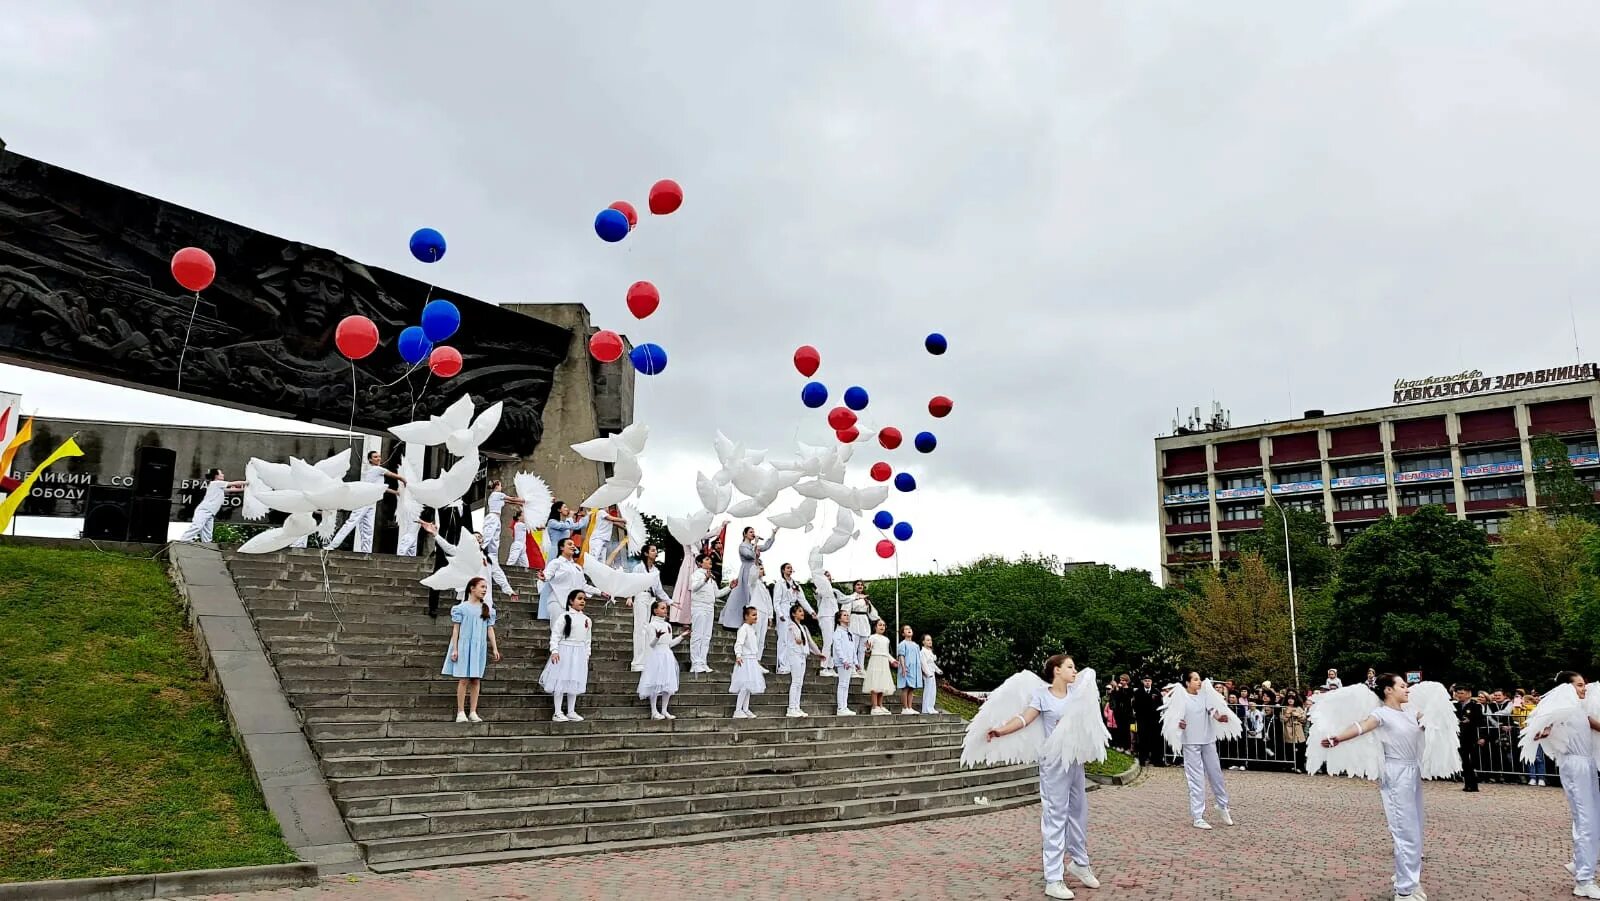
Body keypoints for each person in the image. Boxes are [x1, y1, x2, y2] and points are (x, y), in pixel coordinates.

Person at [982, 654, 1103, 900]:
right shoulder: (1042, 695)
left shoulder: (1077, 694)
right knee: (1055, 816)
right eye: (1070, 666)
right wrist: (1001, 730)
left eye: (1075, 667)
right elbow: (1024, 719)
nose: (1074, 671)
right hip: (1054, 763)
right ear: (1056, 670)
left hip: (1075, 762)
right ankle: (1053, 877)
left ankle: (1080, 862)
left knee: (1079, 812)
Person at [1318, 674, 1431, 901]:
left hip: (1413, 771)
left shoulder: (1411, 712)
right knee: (1404, 829)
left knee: (1416, 828)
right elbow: (1362, 726)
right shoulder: (1381, 714)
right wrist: (1337, 738)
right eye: (1402, 686)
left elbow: (1432, 722)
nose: (1407, 689)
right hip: (1396, 773)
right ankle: (1404, 890)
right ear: (1388, 690)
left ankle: (1410, 878)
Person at [1527, 672, 1600, 898]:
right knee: (1586, 821)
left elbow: (1594, 725)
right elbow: (1544, 726)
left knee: (1593, 819)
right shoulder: (1560, 708)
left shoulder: (1579, 708)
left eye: (1584, 685)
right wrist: (1545, 730)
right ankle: (1584, 880)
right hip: (1574, 765)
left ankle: (1580, 864)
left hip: (1587, 764)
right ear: (1566, 688)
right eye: (1579, 685)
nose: (1584, 688)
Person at [1170, 671, 1236, 829]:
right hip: (1191, 741)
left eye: (1199, 679)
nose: (1199, 682)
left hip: (1207, 739)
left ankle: (1222, 805)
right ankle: (1198, 816)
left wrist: (1219, 717)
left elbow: (1211, 710)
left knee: (1216, 774)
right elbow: (1175, 716)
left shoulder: (1204, 695)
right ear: (1187, 682)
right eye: (1195, 679)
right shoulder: (1181, 697)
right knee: (1196, 778)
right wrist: (1179, 724)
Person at [441, 576, 500, 724]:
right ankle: (461, 711)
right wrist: (455, 649)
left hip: (479, 647)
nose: (484, 590)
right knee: (463, 679)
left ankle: (473, 711)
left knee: (475, 679)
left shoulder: (487, 610)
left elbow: (490, 629)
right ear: (472, 588)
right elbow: (456, 630)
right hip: (464, 645)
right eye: (482, 587)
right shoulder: (461, 608)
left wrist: (494, 648)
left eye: (486, 587)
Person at [327, 451, 405, 553]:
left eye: (379, 457)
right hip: (364, 501)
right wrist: (406, 481)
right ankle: (333, 545)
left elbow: (380, 488)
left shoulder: (373, 472)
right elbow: (396, 476)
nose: (378, 458)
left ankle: (366, 552)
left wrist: (395, 492)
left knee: (367, 529)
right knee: (351, 523)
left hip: (371, 502)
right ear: (370, 460)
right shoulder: (377, 469)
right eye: (375, 457)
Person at [420, 521, 517, 603]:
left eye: (479, 537)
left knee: (485, 623)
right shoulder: (464, 554)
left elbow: (499, 575)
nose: (477, 538)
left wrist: (509, 591)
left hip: (485, 596)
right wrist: (435, 534)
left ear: (482, 541)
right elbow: (448, 548)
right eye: (474, 537)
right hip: (470, 595)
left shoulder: (490, 558)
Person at [540, 591, 592, 723]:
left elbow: (587, 640)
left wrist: (586, 655)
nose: (582, 601)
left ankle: (571, 711)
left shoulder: (587, 620)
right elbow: (555, 635)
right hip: (565, 651)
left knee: (574, 680)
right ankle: (557, 712)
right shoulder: (564, 617)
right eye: (579, 599)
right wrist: (554, 650)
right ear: (571, 601)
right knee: (560, 680)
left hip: (579, 652)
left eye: (584, 599)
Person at [627, 544, 673, 672]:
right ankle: (637, 661)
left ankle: (647, 660)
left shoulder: (656, 571)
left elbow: (659, 589)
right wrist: (630, 597)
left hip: (651, 598)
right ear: (646, 553)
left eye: (656, 550)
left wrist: (670, 601)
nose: (655, 552)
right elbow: (632, 583)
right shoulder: (638, 568)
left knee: (649, 629)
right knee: (640, 628)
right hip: (641, 595)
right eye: (652, 550)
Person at [637, 599, 685, 720]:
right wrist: (657, 637)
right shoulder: (651, 626)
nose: (665, 610)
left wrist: (681, 637)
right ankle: (654, 711)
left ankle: (664, 709)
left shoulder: (668, 625)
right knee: (655, 682)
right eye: (662, 608)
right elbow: (652, 644)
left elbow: (669, 643)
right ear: (655, 610)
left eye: (666, 608)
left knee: (668, 683)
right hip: (656, 655)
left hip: (667, 655)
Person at [720, 527, 775, 631]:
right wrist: (755, 545)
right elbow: (749, 555)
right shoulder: (742, 546)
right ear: (745, 534)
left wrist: (773, 534)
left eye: (754, 532)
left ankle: (752, 620)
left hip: (755, 571)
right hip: (746, 571)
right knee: (745, 594)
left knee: (756, 594)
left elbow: (766, 546)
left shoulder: (754, 546)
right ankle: (736, 621)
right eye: (751, 532)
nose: (753, 533)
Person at [687, 554, 732, 674]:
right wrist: (704, 579)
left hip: (709, 607)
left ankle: (703, 661)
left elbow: (716, 594)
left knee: (706, 636)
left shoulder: (711, 578)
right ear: (699, 563)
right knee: (697, 635)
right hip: (699, 606)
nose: (710, 561)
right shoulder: (696, 575)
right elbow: (693, 587)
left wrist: (729, 588)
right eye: (706, 559)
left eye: (709, 559)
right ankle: (695, 663)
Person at [538, 537, 598, 626]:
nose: (573, 547)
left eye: (574, 545)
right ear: (562, 547)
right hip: (557, 601)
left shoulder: (577, 567)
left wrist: (600, 592)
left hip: (572, 604)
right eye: (570, 544)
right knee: (558, 630)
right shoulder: (556, 562)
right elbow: (548, 574)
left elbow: (583, 585)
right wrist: (544, 577)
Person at [779, 603, 822, 718]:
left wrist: (818, 653)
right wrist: (797, 638)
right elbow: (796, 637)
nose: (802, 613)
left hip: (802, 655)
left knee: (800, 682)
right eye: (799, 611)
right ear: (793, 614)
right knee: (796, 681)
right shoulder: (791, 625)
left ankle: (796, 706)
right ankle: (791, 707)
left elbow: (809, 641)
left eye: (802, 611)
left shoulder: (803, 627)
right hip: (794, 654)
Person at [179, 468, 246, 542]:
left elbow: (233, 489)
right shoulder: (216, 483)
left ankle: (207, 546)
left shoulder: (219, 486)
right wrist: (248, 482)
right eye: (221, 473)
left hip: (211, 512)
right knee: (197, 526)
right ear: (216, 476)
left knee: (207, 532)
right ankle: (184, 540)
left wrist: (246, 488)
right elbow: (234, 483)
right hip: (204, 510)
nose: (223, 474)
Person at [771, 563, 814, 675]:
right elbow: (776, 601)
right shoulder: (780, 583)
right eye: (788, 568)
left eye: (791, 568)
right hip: (784, 609)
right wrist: (779, 613)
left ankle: (790, 663)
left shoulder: (796, 584)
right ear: (783, 570)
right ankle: (782, 665)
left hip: (793, 610)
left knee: (792, 638)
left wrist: (811, 611)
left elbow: (802, 599)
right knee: (783, 638)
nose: (790, 570)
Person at [730, 606, 766, 718]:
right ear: (746, 616)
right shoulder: (743, 628)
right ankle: (738, 709)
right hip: (745, 660)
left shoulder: (751, 629)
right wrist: (738, 655)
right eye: (753, 615)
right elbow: (739, 643)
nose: (756, 617)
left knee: (749, 685)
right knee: (744, 685)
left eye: (756, 615)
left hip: (752, 660)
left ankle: (745, 708)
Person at [479, 479, 524, 560]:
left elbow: (509, 501)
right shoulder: (497, 494)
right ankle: (478, 551)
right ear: (497, 486)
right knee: (488, 537)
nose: (501, 487)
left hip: (496, 518)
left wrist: (522, 503)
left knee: (495, 541)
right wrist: (524, 500)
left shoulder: (496, 496)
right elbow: (512, 499)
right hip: (492, 517)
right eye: (500, 485)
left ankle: (493, 560)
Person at [1455, 684, 1486, 792]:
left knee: (1472, 761)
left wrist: (1482, 736)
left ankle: (1473, 784)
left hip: (1472, 737)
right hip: (1461, 737)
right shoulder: (1456, 706)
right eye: (1458, 693)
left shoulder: (1475, 706)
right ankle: (1467, 783)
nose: (1459, 695)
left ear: (1469, 694)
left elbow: (1481, 721)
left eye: (1462, 693)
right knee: (1464, 761)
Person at [845, 580, 880, 676]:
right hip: (854, 621)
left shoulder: (866, 599)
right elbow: (846, 610)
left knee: (862, 648)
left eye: (861, 585)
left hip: (864, 622)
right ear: (854, 587)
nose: (860, 586)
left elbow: (872, 613)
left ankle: (860, 667)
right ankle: (852, 668)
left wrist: (878, 619)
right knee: (853, 646)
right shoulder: (851, 597)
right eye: (858, 585)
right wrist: (846, 622)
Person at [863, 619, 895, 715]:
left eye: (884, 625)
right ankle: (874, 706)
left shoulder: (886, 640)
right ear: (875, 627)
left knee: (882, 683)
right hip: (875, 661)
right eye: (880, 625)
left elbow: (886, 652)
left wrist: (892, 660)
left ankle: (880, 705)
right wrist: (868, 649)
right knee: (875, 682)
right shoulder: (872, 637)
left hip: (884, 662)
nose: (882, 627)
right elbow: (867, 652)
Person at [831, 610, 860, 716]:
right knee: (842, 684)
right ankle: (841, 707)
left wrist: (855, 661)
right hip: (843, 662)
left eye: (848, 615)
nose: (847, 617)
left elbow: (852, 648)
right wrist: (844, 660)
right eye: (844, 615)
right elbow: (838, 648)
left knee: (846, 685)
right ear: (839, 619)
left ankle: (844, 706)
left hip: (849, 661)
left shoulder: (849, 632)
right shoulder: (838, 632)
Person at [1132, 676, 1164, 767]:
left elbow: (1160, 705)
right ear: (1143, 682)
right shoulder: (1138, 692)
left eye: (1149, 681)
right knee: (1142, 739)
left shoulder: (1156, 692)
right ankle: (1142, 759)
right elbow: (1134, 705)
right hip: (1142, 720)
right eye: (1145, 681)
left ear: (1151, 682)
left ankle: (1156, 760)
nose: (1147, 682)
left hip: (1154, 720)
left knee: (1155, 740)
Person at [897, 624, 923, 714]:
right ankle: (905, 708)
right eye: (906, 629)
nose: (909, 630)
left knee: (911, 688)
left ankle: (910, 707)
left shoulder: (916, 645)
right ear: (903, 633)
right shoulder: (902, 644)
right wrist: (903, 667)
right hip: (906, 668)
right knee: (905, 687)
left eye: (910, 628)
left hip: (914, 669)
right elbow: (901, 656)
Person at [1281, 694, 1309, 774]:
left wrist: (1298, 716)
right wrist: (1288, 714)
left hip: (1298, 729)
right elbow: (1283, 720)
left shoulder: (1299, 708)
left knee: (1301, 748)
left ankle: (1300, 766)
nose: (1290, 700)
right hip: (1289, 729)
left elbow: (1304, 719)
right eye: (1289, 699)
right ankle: (1291, 766)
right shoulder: (1284, 708)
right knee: (1290, 748)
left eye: (1292, 699)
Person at [918, 634, 943, 714]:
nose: (930, 642)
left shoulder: (930, 651)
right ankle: (926, 708)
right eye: (928, 640)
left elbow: (932, 663)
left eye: (930, 640)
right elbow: (923, 664)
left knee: (933, 691)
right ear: (923, 642)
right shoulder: (922, 652)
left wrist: (938, 670)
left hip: (932, 673)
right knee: (928, 690)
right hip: (927, 674)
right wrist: (928, 673)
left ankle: (931, 707)